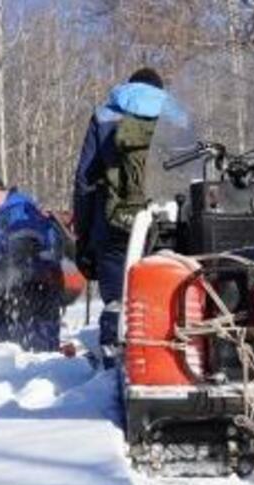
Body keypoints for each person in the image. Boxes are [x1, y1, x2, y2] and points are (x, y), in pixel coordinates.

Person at [71, 67, 186, 368]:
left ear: (128, 85)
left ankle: (112, 373)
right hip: (166, 223)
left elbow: (84, 180)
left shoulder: (105, 115)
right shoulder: (178, 115)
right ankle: (168, 367)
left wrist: (83, 236)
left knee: (117, 302)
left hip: (114, 223)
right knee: (170, 297)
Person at [0, 171, 65, 352]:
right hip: (5, 292)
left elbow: (22, 248)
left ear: (2, 190)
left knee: (34, 350)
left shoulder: (19, 209)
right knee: (1, 348)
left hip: (35, 285)